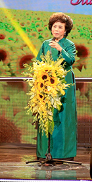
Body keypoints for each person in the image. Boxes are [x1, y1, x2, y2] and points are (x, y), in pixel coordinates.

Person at [36, 12, 77, 160]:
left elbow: (70, 60)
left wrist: (60, 49)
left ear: (65, 30)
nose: (57, 29)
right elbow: (38, 62)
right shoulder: (45, 44)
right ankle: (45, 152)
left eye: (60, 27)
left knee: (62, 116)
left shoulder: (69, 45)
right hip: (46, 84)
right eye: (54, 26)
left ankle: (63, 153)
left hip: (64, 85)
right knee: (46, 114)